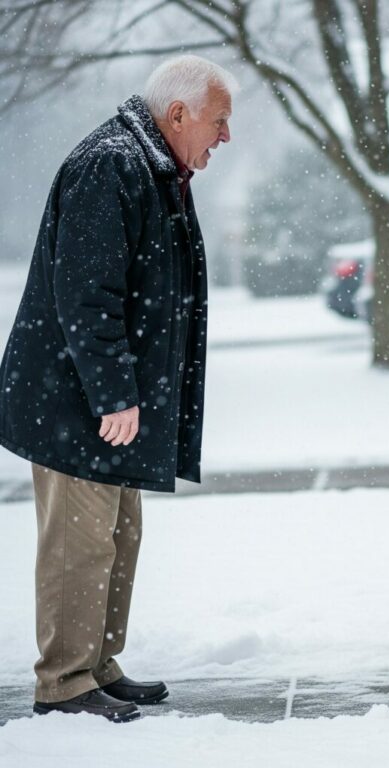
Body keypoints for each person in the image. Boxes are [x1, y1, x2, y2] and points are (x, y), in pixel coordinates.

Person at [0, 55, 237, 722]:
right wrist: (113, 393)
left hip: (104, 399)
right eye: (219, 121)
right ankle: (64, 682)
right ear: (178, 115)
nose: (225, 136)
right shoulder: (112, 164)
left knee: (117, 536)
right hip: (76, 402)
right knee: (78, 544)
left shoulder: (149, 166)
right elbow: (87, 294)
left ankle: (97, 666)